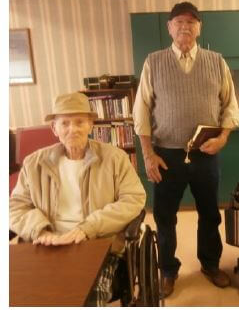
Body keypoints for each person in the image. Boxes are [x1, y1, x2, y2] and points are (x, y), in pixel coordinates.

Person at [133, 1, 239, 297]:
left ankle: (209, 264)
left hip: (206, 153)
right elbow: (141, 112)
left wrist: (224, 138)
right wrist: (148, 154)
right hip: (166, 156)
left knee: (210, 214)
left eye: (191, 22)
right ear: (169, 27)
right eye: (178, 21)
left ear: (199, 28)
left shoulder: (217, 61)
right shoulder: (153, 62)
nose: (185, 26)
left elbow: (230, 106)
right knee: (165, 217)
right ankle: (167, 270)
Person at [9, 92, 146, 306]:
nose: (72, 129)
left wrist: (87, 228)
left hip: (96, 243)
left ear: (91, 124)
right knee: (24, 296)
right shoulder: (34, 163)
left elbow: (133, 199)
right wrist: (40, 231)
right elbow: (15, 206)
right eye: (64, 123)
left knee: (87, 300)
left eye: (79, 122)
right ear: (54, 128)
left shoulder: (114, 158)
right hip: (46, 245)